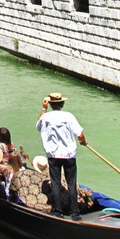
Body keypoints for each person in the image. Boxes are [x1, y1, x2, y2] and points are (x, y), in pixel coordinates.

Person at [36, 92, 86, 220]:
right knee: (71, 183)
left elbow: (38, 126)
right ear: (62, 103)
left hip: (53, 155)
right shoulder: (69, 116)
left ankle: (58, 211)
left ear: (51, 104)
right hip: (69, 155)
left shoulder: (46, 117)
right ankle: (75, 213)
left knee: (56, 183)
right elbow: (79, 134)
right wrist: (83, 141)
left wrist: (43, 108)